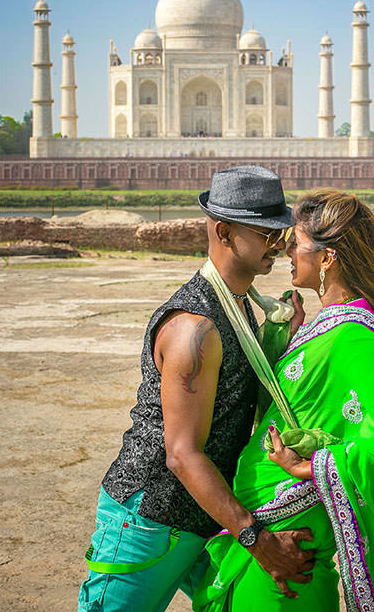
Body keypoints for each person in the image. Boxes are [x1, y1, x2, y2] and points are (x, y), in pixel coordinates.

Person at [78, 166, 316, 612]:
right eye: (266, 233)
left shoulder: (238, 306)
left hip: (205, 515)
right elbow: (182, 453)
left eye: (281, 232)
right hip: (151, 518)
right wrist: (259, 541)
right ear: (224, 232)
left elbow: (234, 398)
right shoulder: (195, 327)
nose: (279, 245)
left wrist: (282, 339)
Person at [192, 189, 374, 611]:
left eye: (295, 245)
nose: (285, 254)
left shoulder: (355, 336)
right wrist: (289, 335)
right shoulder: (326, 327)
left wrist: (312, 465)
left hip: (290, 542)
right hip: (268, 529)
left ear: (327, 258)